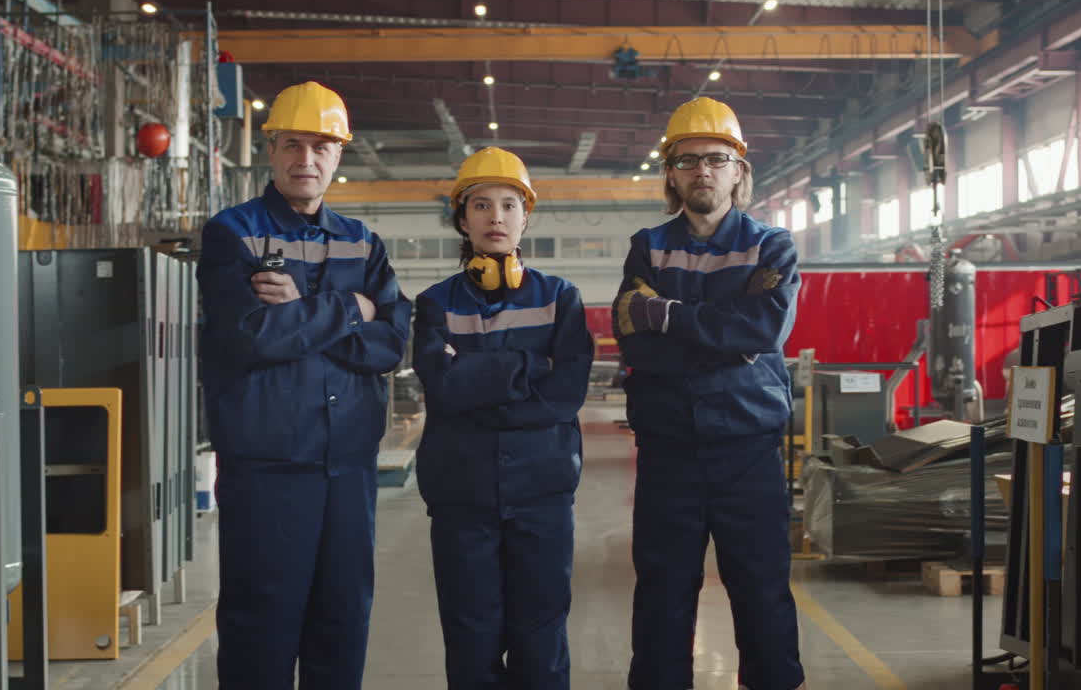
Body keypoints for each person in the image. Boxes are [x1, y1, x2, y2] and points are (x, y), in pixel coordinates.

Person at [197, 80, 411, 690]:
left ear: (339, 155)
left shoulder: (362, 241)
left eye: (321, 146)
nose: (306, 160)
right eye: (293, 144)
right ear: (271, 150)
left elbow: (392, 344)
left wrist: (305, 310)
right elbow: (255, 337)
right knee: (260, 623)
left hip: (347, 467)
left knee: (341, 621)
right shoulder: (232, 233)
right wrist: (352, 308)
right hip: (267, 468)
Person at [614, 97, 806, 690]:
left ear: (738, 171)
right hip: (670, 446)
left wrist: (666, 314)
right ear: (671, 172)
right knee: (663, 588)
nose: (703, 171)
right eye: (688, 160)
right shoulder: (647, 246)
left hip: (747, 446)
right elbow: (636, 343)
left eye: (717, 159)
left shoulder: (771, 246)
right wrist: (720, 332)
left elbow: (762, 330)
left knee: (761, 585)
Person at [412, 147, 594, 690]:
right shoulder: (433, 303)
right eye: (482, 205)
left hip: (542, 492)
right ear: (462, 220)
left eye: (510, 205)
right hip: (460, 495)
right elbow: (442, 389)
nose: (496, 217)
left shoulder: (561, 297)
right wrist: (529, 366)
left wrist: (476, 377)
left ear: (525, 217)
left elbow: (566, 393)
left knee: (542, 630)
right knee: (471, 633)